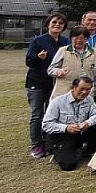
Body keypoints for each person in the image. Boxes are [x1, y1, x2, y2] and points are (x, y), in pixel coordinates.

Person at [25, 12, 69, 158]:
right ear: (48, 24)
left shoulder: (65, 42)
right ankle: (37, 145)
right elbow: (29, 61)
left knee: (52, 113)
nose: (57, 25)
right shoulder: (38, 41)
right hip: (37, 82)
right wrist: (38, 57)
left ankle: (49, 142)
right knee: (38, 114)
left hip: (56, 83)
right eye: (54, 22)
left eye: (60, 23)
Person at [42, 76, 96, 171]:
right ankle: (58, 151)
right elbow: (46, 125)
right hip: (62, 135)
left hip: (80, 133)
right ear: (73, 88)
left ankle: (88, 150)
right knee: (69, 165)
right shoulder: (58, 102)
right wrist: (66, 128)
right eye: (82, 89)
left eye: (88, 90)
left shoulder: (89, 100)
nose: (85, 92)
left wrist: (87, 123)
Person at [48, 25, 96, 99]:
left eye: (83, 38)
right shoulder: (63, 51)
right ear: (71, 38)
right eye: (76, 38)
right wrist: (58, 71)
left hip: (85, 94)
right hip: (64, 93)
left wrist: (95, 89)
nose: (79, 40)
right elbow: (50, 70)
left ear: (87, 39)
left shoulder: (95, 53)